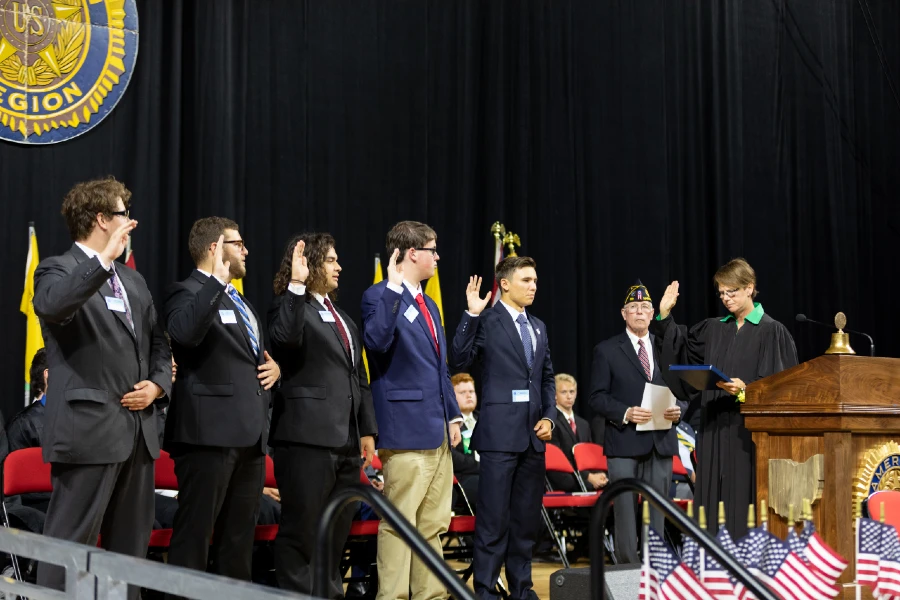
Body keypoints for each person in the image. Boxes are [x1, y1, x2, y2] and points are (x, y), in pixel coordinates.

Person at [32, 177, 172, 598]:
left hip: (138, 433)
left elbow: (159, 344)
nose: (131, 222)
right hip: (87, 431)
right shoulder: (58, 268)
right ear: (101, 219)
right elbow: (53, 306)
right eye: (124, 215)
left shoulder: (135, 282)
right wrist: (103, 263)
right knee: (67, 547)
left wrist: (159, 386)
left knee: (128, 556)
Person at [163, 217, 280, 581]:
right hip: (207, 438)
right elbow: (184, 334)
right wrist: (215, 280)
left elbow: (248, 359)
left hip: (249, 438)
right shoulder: (185, 291)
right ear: (215, 248)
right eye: (238, 243)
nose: (246, 250)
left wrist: (275, 371)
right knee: (194, 539)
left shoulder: (240, 300)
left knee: (238, 543)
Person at [652, 259, 797, 537]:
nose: (725, 298)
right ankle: (711, 571)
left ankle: (747, 569)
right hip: (713, 428)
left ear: (749, 288)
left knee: (743, 500)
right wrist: (665, 316)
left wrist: (746, 391)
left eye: (731, 292)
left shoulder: (771, 332)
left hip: (749, 436)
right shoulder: (715, 328)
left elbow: (783, 389)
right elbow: (680, 349)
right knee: (711, 505)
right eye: (721, 293)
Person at [267, 233, 377, 597]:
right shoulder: (288, 305)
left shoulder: (343, 318)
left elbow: (358, 377)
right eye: (330, 260)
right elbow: (284, 340)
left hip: (345, 441)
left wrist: (367, 431)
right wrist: (297, 285)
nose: (339, 266)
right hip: (305, 440)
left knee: (336, 531)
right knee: (302, 531)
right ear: (311, 264)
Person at [361, 221, 461, 600]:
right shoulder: (378, 296)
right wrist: (392, 289)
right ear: (411, 253)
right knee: (400, 524)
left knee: (433, 525)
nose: (437, 257)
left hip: (438, 433)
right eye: (432, 249)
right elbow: (377, 341)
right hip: (404, 432)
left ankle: (430, 597)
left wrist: (453, 413)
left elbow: (441, 367)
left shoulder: (431, 304)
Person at [449, 257, 555, 600]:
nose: (534, 286)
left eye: (536, 280)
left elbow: (547, 378)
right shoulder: (488, 320)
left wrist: (550, 417)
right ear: (505, 284)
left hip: (533, 439)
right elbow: (459, 360)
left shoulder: (538, 325)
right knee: (493, 522)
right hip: (498, 438)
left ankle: (522, 589)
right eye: (526, 279)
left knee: (525, 523)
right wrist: (471, 315)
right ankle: (486, 591)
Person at [589, 281, 684, 563]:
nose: (639, 312)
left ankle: (655, 571)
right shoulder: (606, 350)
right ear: (624, 313)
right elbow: (596, 397)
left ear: (653, 313)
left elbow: (684, 388)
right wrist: (626, 412)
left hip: (660, 441)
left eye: (645, 307)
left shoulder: (666, 347)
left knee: (658, 509)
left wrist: (680, 408)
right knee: (626, 512)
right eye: (634, 308)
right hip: (623, 440)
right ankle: (628, 576)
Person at [548, 374, 607, 492]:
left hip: (584, 476)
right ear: (554, 395)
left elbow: (589, 457)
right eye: (564, 392)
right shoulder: (551, 422)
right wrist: (589, 477)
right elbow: (558, 460)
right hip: (563, 477)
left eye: (572, 391)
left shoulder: (583, 424)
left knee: (611, 483)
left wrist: (597, 475)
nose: (569, 396)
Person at [450, 373, 480, 512]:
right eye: (462, 392)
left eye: (471, 391)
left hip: (489, 473)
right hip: (463, 478)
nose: (469, 396)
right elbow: (453, 458)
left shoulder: (486, 419)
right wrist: (483, 466)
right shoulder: (448, 424)